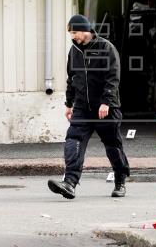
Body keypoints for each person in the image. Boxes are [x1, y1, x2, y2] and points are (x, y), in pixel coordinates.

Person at [48, 14, 130, 199]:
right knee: (73, 140)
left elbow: (113, 77)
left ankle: (120, 182)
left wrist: (106, 102)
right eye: (70, 33)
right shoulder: (74, 51)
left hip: (105, 108)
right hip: (83, 108)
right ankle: (69, 183)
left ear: (85, 30)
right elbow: (72, 79)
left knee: (112, 145)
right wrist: (69, 104)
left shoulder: (106, 47)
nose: (72, 36)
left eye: (75, 32)